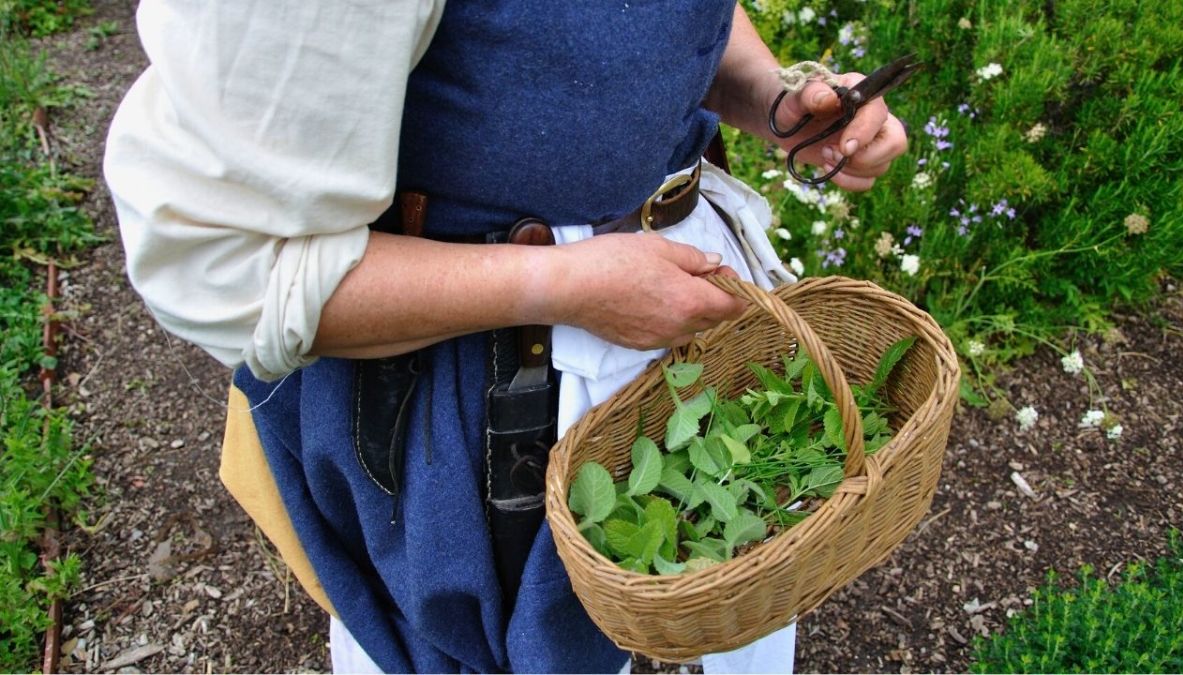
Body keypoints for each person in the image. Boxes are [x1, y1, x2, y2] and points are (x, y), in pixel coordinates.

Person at [105, 1, 908, 672]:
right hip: (481, 377)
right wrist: (562, 285)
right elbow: (218, 262)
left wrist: (771, 95)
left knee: (740, 583)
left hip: (679, 295)